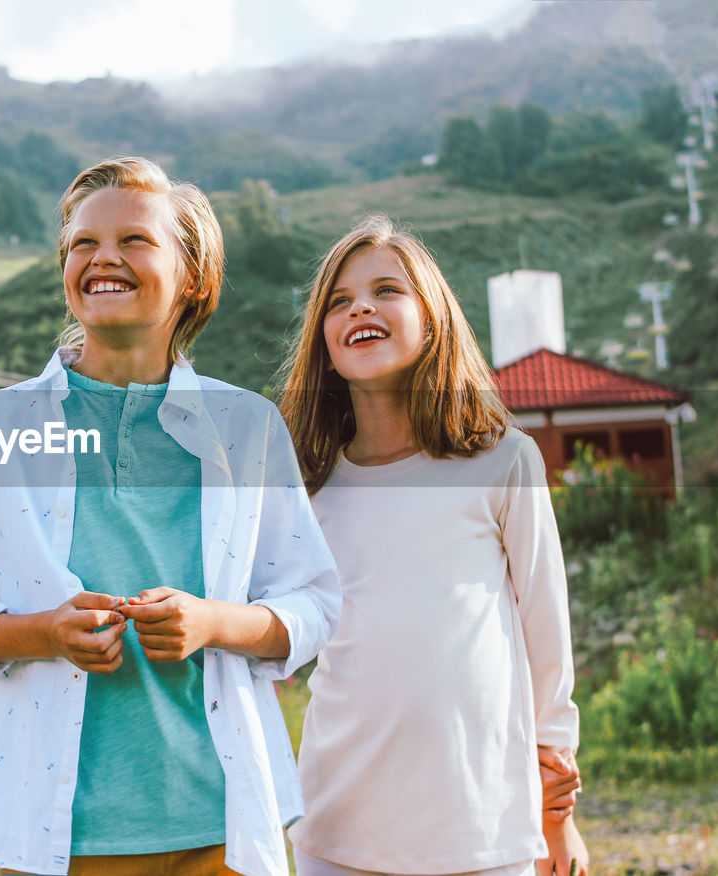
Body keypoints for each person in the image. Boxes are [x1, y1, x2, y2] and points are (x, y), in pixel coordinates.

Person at [0, 156, 339, 876]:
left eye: (134, 240)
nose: (103, 256)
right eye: (83, 243)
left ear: (192, 276)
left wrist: (212, 622)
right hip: (58, 837)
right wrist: (44, 632)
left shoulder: (247, 427)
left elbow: (315, 602)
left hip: (223, 829)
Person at [277, 216, 588, 876]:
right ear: (324, 343)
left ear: (433, 318)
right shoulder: (308, 486)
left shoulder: (506, 461)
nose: (360, 305)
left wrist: (556, 820)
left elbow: (547, 642)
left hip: (484, 828)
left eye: (386, 289)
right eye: (339, 300)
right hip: (337, 829)